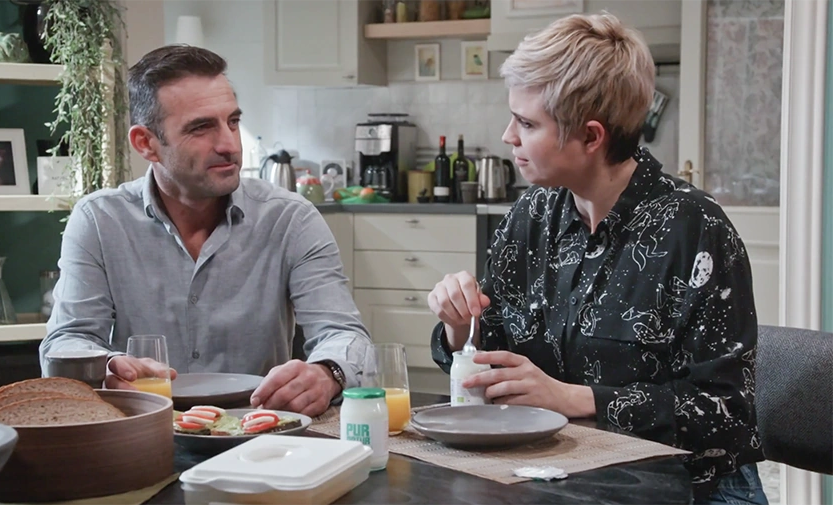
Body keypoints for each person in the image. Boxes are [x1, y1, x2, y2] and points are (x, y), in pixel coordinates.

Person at [426, 13, 766, 505]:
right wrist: (460, 325)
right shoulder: (532, 214)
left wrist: (572, 398)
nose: (508, 136)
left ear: (591, 137)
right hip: (561, 477)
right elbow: (492, 356)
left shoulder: (694, 229)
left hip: (694, 490)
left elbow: (725, 413)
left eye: (527, 123)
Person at [39, 45, 372, 417]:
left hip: (259, 431)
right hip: (144, 428)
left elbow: (344, 335)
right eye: (201, 127)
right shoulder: (100, 221)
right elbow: (65, 343)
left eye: (233, 121)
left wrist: (327, 373)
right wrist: (107, 365)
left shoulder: (291, 219)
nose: (229, 144)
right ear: (146, 143)